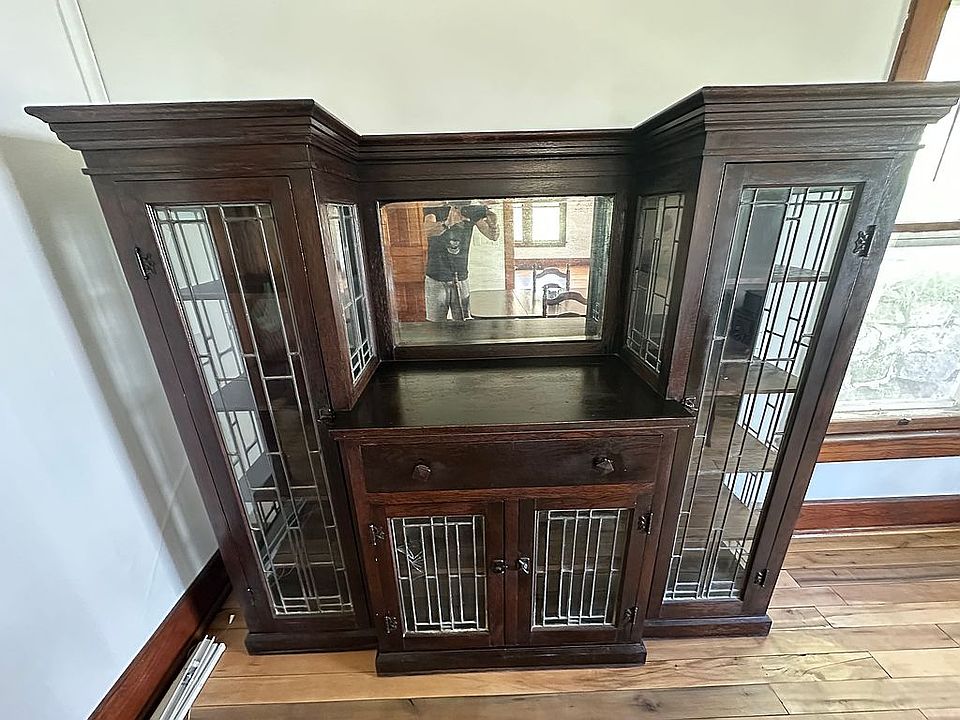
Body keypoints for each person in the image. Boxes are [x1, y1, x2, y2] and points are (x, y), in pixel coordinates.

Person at [422, 201, 499, 321]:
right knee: (435, 324)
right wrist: (447, 223)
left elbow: (493, 236)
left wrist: (493, 224)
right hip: (436, 277)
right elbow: (426, 231)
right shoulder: (435, 206)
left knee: (463, 323)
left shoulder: (471, 210)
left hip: (461, 276)